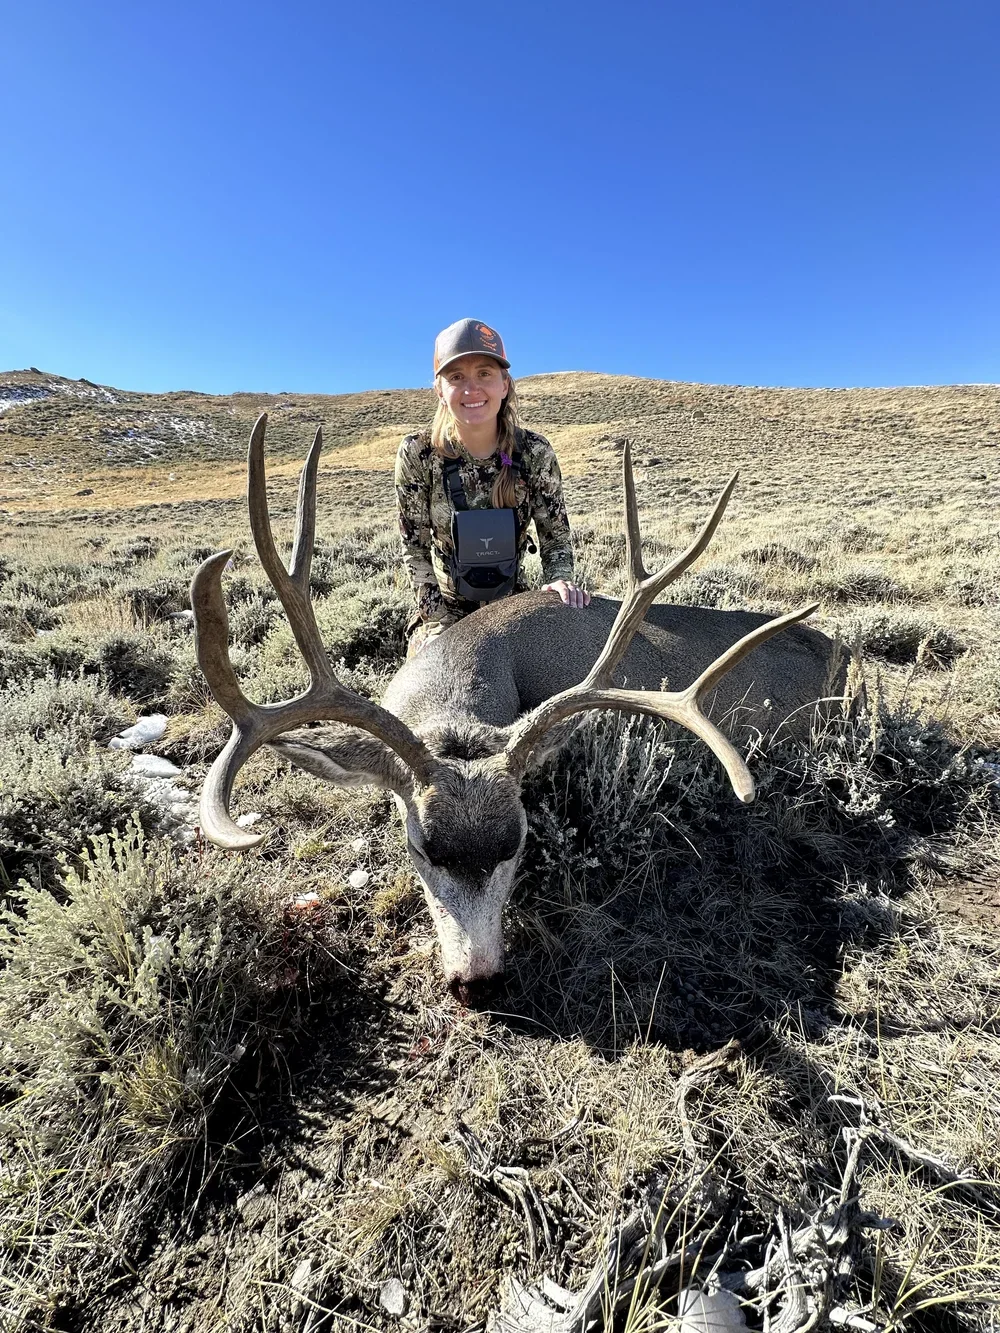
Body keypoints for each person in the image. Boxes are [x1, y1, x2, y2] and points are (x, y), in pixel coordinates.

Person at [395, 318, 591, 656]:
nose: (472, 389)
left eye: (484, 373)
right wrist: (438, 624)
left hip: (516, 606)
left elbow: (555, 537)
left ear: (504, 384)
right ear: (440, 390)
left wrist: (559, 578)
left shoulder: (534, 452)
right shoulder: (418, 452)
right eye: (456, 377)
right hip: (445, 611)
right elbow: (414, 550)